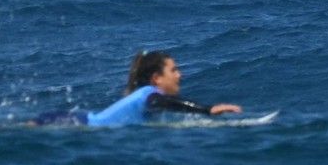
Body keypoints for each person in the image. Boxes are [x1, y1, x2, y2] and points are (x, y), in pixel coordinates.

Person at [32, 51, 242, 127]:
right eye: (174, 70)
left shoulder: (144, 95)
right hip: (71, 123)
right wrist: (207, 110)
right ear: (157, 78)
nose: (180, 75)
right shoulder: (150, 95)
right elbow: (164, 103)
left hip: (76, 119)